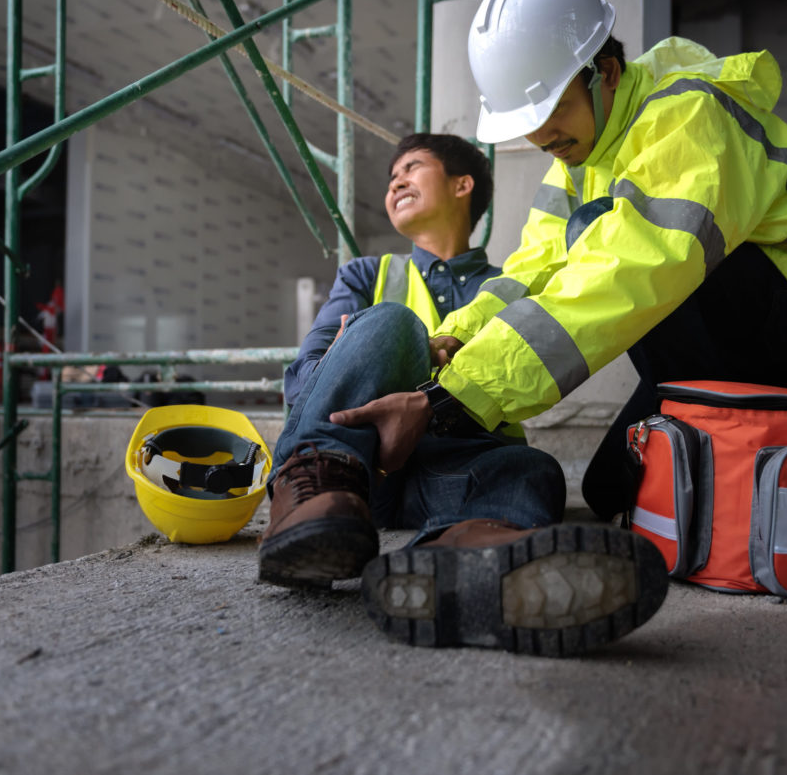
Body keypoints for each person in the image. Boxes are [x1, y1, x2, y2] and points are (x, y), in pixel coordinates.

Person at [340, 0, 787, 524]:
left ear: (603, 72)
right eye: (528, 122)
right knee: (612, 490)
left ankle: (782, 429)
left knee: (595, 230)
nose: (541, 136)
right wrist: (454, 336)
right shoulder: (577, 160)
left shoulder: (688, 115)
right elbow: (534, 270)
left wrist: (455, 396)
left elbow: (632, 271)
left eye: (550, 108)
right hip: (715, 306)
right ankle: (751, 431)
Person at [259, 133, 670, 657]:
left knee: (530, 467)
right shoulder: (368, 275)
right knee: (393, 325)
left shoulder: (510, 287)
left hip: (452, 474)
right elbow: (303, 379)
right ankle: (310, 502)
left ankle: (464, 555)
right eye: (391, 178)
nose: (396, 181)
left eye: (411, 167)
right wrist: (405, 354)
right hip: (358, 470)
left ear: (463, 184)